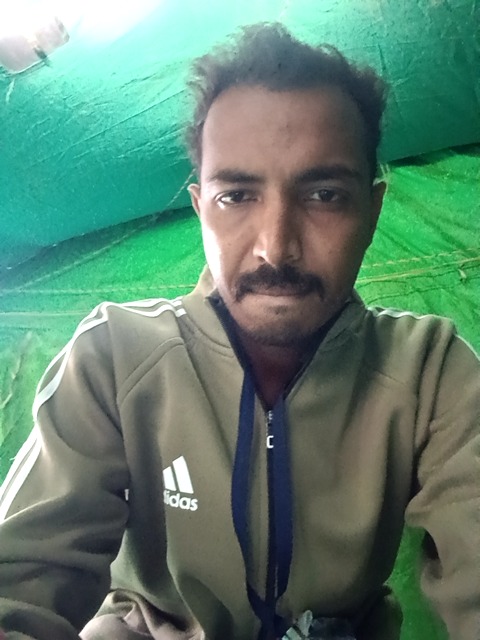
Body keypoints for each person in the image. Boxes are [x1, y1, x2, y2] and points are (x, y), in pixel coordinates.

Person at [0, 22, 479, 640]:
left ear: (372, 210)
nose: (275, 247)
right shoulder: (112, 358)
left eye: (324, 194)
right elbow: (20, 582)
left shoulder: (430, 372)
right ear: (200, 209)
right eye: (236, 196)